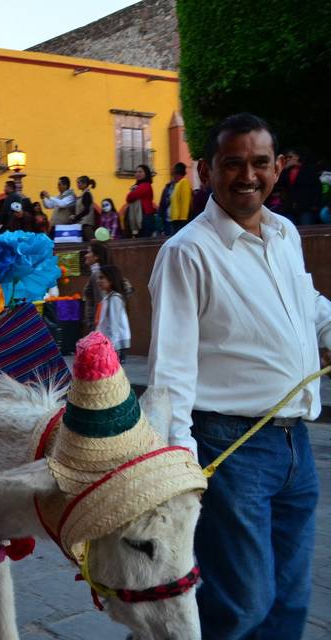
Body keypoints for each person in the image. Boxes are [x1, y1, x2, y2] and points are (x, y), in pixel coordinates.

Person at [148, 113, 331, 639]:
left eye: (259, 163)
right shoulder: (187, 252)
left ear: (278, 168)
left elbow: (305, 300)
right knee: (243, 603)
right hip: (231, 449)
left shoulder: (284, 232)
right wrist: (181, 467)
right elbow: (170, 372)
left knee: (291, 601)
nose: (247, 175)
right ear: (207, 170)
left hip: (296, 446)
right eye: (233, 163)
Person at [276, 148, 323, 225]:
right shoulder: (286, 172)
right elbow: (278, 183)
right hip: (290, 207)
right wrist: (284, 169)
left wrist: (315, 204)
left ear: (297, 157)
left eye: (290, 157)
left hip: (305, 206)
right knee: (290, 229)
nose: (288, 159)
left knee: (306, 229)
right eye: (286, 158)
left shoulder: (308, 169)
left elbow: (317, 187)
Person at [94, 264, 130, 362]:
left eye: (102, 278)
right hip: (107, 342)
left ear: (111, 279)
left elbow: (114, 324)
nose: (98, 281)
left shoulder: (114, 299)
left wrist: (113, 347)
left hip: (113, 344)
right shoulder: (108, 297)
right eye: (98, 278)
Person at [81, 241, 109, 335]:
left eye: (89, 252)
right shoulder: (98, 272)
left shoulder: (97, 274)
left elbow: (101, 300)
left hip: (100, 325)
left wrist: (97, 325)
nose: (86, 255)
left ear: (96, 257)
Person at [125, 164, 156, 237]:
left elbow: (130, 197)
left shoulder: (146, 185)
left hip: (145, 217)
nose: (137, 174)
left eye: (140, 172)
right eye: (136, 172)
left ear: (146, 173)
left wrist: (132, 192)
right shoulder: (138, 186)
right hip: (141, 217)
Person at [168, 162, 193, 236]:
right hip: (176, 219)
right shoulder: (178, 184)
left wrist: (183, 219)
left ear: (177, 173)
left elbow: (185, 202)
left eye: (173, 174)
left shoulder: (184, 183)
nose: (172, 176)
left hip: (180, 220)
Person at [71, 176, 97, 241]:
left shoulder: (87, 194)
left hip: (86, 224)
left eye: (79, 183)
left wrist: (76, 217)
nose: (77, 184)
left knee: (90, 242)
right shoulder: (83, 195)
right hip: (82, 224)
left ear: (85, 184)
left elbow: (86, 210)